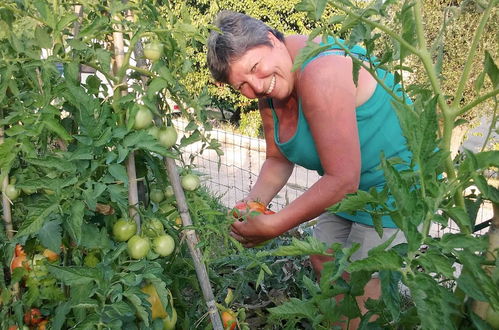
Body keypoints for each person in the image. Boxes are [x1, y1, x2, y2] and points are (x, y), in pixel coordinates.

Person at [207, 10, 411, 328]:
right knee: (323, 260)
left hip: (395, 191)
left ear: (273, 39)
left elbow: (343, 179)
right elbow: (278, 159)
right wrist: (251, 207)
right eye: (241, 85)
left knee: (360, 291)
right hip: (348, 191)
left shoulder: (321, 69)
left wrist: (273, 227)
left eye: (255, 68)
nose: (255, 87)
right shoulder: (269, 90)